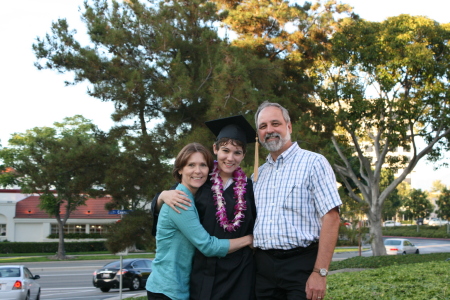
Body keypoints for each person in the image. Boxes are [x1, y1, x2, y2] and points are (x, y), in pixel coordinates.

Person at [151, 115, 257, 300]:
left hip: (238, 273)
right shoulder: (200, 180)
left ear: (243, 155)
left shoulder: (249, 188)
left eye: (237, 152)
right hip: (201, 272)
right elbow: (173, 201)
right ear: (215, 149)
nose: (230, 158)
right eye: (225, 150)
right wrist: (161, 196)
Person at [252, 101, 342, 300]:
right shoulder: (257, 175)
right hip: (263, 271)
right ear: (258, 134)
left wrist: (320, 273)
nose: (269, 130)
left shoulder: (314, 163)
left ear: (289, 126)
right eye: (263, 126)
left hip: (301, 267)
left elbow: (332, 218)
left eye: (275, 123)